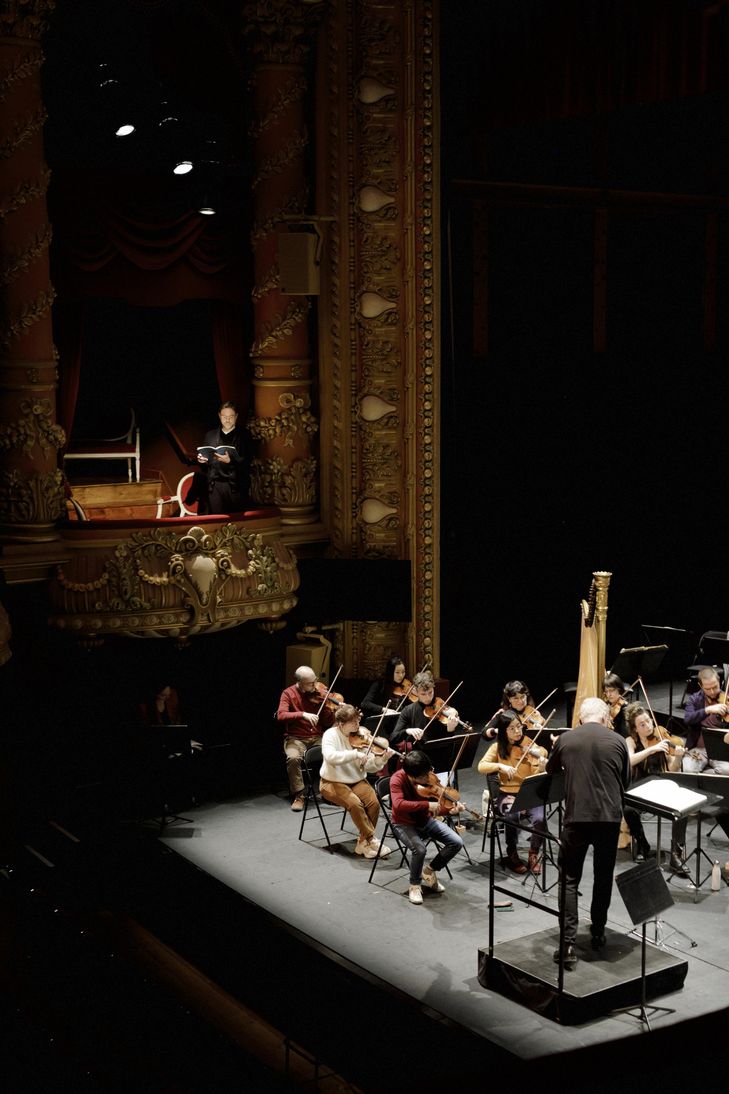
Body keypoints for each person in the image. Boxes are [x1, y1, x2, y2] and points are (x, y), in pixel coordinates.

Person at [546, 696, 630, 970]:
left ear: (581, 718)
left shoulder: (566, 739)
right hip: (608, 818)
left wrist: (560, 753)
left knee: (569, 879)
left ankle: (568, 944)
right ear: (606, 718)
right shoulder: (617, 741)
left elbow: (550, 770)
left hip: (577, 817)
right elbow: (624, 781)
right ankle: (598, 933)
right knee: (602, 876)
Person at [390, 750, 465, 904]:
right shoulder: (397, 779)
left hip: (424, 820)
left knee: (456, 842)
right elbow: (398, 805)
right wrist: (426, 804)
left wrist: (450, 810)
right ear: (411, 775)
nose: (427, 778)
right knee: (420, 849)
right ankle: (415, 885)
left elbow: (437, 806)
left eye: (428, 771)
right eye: (422, 776)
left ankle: (429, 871)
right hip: (403, 824)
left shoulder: (428, 777)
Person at [320, 704, 395, 858]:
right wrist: (354, 754)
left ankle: (362, 844)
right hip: (331, 782)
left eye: (357, 721)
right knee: (355, 804)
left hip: (356, 781)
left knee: (374, 803)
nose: (357, 725)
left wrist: (382, 760)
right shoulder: (330, 735)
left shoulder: (360, 736)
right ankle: (371, 839)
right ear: (341, 724)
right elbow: (330, 757)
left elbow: (369, 766)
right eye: (353, 722)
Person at [622, 702, 688, 875]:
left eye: (648, 721)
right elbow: (629, 761)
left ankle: (676, 853)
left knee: (683, 808)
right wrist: (651, 750)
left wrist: (679, 758)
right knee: (628, 809)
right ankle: (643, 844)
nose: (648, 726)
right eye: (642, 724)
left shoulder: (661, 736)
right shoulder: (631, 741)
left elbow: (672, 768)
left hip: (661, 786)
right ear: (635, 729)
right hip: (640, 789)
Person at [478, 710, 548, 874]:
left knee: (540, 818)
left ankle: (533, 853)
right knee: (511, 816)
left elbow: (542, 752)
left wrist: (539, 757)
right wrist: (500, 766)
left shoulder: (528, 742)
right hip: (507, 793)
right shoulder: (497, 748)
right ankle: (512, 852)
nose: (518, 732)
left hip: (530, 792)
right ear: (503, 731)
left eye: (519, 727)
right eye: (512, 729)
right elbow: (481, 766)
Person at [276, 665, 334, 811]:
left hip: (317, 737)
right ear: (300, 682)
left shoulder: (319, 694)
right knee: (293, 758)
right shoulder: (288, 694)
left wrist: (328, 708)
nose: (315, 686)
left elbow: (327, 722)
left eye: (315, 681)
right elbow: (281, 715)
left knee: (334, 754)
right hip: (296, 738)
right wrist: (302, 714)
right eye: (310, 683)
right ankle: (299, 795)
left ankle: (328, 792)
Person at [187, 401, 248, 515]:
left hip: (235, 486)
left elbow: (248, 461)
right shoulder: (210, 435)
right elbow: (205, 460)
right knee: (217, 520)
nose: (227, 420)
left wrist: (231, 460)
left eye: (231, 417)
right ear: (219, 416)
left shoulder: (244, 435)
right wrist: (202, 460)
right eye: (224, 417)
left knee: (237, 521)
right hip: (214, 485)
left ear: (236, 417)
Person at [389, 670, 459, 753]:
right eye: (423, 694)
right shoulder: (408, 710)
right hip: (419, 757)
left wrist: (450, 730)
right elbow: (393, 738)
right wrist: (408, 731)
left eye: (430, 692)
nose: (428, 697)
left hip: (442, 754)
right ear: (415, 691)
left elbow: (449, 742)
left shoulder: (439, 705)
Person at [360, 655, 412, 729]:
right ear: (390, 672)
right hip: (381, 723)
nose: (401, 676)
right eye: (397, 672)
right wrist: (385, 710)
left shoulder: (406, 685)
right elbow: (365, 704)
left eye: (403, 672)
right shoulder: (379, 684)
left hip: (400, 724)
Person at [603, 672, 631, 738]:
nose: (609, 694)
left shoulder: (625, 709)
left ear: (619, 689)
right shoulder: (606, 705)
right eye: (606, 691)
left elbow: (625, 735)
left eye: (611, 690)